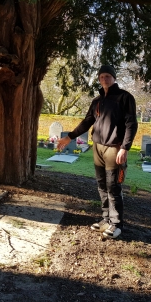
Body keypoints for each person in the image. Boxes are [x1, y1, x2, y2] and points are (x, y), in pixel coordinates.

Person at [57, 65, 138, 239]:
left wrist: (124, 148)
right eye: (101, 77)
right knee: (102, 186)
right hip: (98, 148)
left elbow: (132, 124)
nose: (104, 79)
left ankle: (116, 224)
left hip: (114, 148)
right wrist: (69, 137)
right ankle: (106, 219)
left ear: (114, 78)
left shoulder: (125, 98)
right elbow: (87, 122)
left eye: (108, 76)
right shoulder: (97, 101)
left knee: (113, 186)